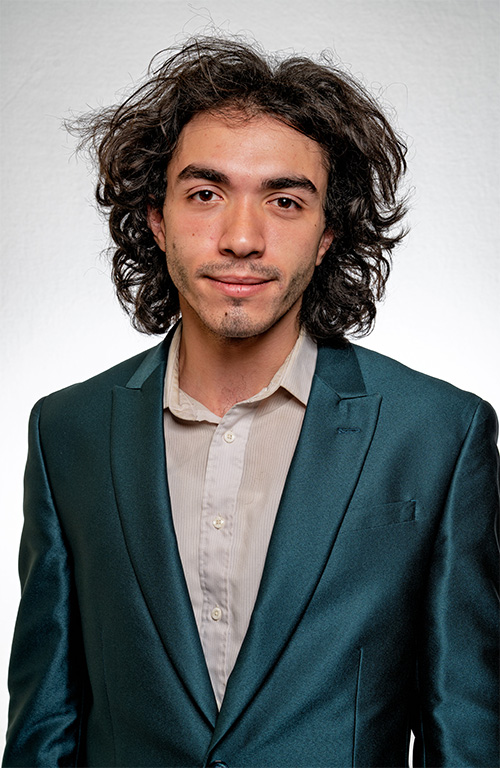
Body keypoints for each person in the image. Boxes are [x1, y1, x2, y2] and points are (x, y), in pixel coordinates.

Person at [3, 37, 498, 768]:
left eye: (285, 201)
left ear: (329, 234)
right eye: (206, 194)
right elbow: (43, 725)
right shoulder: (66, 431)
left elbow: (468, 733)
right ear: (157, 219)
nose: (241, 237)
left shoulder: (438, 435)